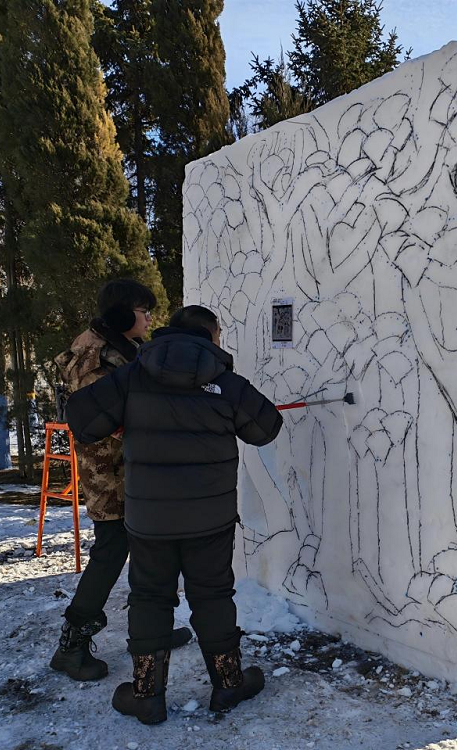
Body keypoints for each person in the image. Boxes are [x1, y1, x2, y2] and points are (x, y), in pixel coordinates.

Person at [65, 305, 283, 724]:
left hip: (149, 519)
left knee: (149, 596)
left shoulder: (133, 375)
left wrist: (124, 420)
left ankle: (147, 694)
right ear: (209, 334)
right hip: (210, 517)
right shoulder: (223, 380)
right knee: (213, 594)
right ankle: (228, 684)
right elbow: (267, 428)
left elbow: (82, 419)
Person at [51, 279, 191, 681]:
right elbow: (99, 416)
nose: (149, 318)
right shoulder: (93, 355)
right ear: (122, 314)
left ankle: (152, 632)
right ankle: (71, 645)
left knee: (149, 548)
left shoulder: (120, 347)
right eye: (143, 311)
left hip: (135, 468)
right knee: (112, 549)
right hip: (110, 473)